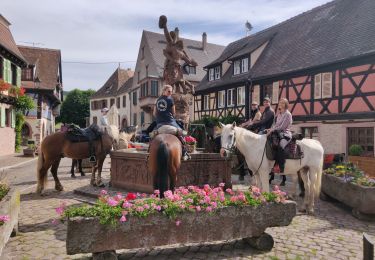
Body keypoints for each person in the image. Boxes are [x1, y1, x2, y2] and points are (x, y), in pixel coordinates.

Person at [153, 85, 190, 160]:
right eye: (169, 91)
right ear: (164, 91)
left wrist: (160, 117)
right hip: (170, 122)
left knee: (152, 137)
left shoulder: (157, 100)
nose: (171, 93)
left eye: (171, 91)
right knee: (182, 133)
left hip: (160, 124)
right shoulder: (170, 100)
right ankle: (184, 153)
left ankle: (149, 153)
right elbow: (173, 113)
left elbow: (154, 113)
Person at [265, 98, 293, 186]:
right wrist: (270, 129)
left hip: (285, 134)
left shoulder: (288, 114)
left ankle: (281, 168)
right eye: (280, 103)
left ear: (286, 104)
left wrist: (272, 130)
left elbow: (282, 127)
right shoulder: (279, 114)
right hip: (277, 133)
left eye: (282, 103)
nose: (280, 104)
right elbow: (276, 125)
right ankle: (272, 166)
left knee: (280, 146)